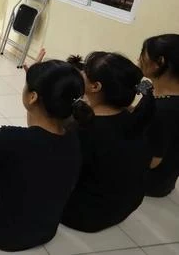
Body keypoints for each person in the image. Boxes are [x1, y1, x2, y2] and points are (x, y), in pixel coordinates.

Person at [0, 55, 93, 252]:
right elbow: (36, 143)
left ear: (33, 97)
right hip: (45, 230)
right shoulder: (73, 136)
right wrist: (40, 85)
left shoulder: (12, 140)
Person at [61, 52, 151, 232]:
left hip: (86, 215)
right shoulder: (137, 119)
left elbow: (55, 169)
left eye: (86, 70)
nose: (82, 72)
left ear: (95, 86)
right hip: (124, 208)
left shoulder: (84, 130)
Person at [135, 34, 179, 197]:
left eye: (142, 54)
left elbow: (153, 161)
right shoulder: (159, 90)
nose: (138, 59)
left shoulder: (166, 110)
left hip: (150, 182)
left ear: (160, 62)